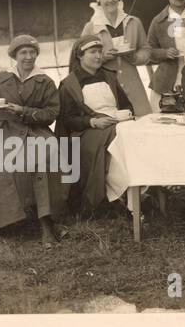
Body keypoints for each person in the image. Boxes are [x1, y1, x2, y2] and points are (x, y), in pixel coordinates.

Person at [0, 34, 69, 246]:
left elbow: (52, 112)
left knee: (44, 155)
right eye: (23, 53)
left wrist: (24, 111)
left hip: (35, 130)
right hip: (5, 131)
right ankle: (3, 221)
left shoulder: (45, 82)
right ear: (15, 56)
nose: (28, 57)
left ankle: (46, 222)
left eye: (32, 53)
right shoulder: (1, 79)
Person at [57, 36, 133, 215]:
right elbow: (67, 119)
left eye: (100, 52)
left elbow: (127, 105)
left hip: (116, 125)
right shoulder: (70, 84)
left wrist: (123, 115)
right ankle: (117, 196)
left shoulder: (109, 76)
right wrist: (92, 121)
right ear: (80, 56)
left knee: (132, 136)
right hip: (85, 132)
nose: (98, 56)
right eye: (92, 52)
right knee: (117, 138)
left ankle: (130, 193)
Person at [79, 0, 153, 117]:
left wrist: (136, 57)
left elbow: (146, 49)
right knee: (112, 124)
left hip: (132, 83)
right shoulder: (91, 27)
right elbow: (81, 57)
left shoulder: (133, 22)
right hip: (104, 85)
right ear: (99, 2)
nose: (110, 0)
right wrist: (102, 57)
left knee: (141, 121)